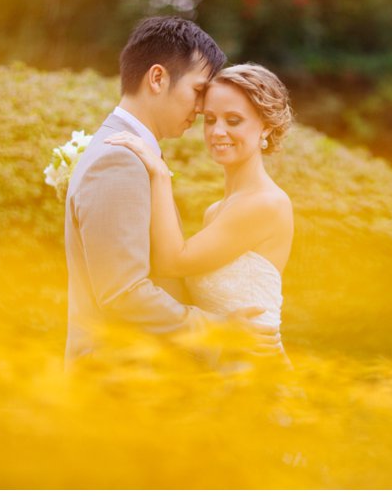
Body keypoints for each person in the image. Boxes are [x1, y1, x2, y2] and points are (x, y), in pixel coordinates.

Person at [64, 17, 279, 370]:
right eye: (198, 92)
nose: (200, 109)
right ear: (158, 78)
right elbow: (123, 292)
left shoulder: (128, 154)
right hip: (118, 382)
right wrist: (216, 331)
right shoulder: (118, 159)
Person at [105, 63, 294, 363]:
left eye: (234, 120)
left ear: (266, 126)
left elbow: (171, 261)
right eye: (210, 119)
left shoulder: (266, 204)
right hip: (218, 365)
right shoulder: (215, 211)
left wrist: (159, 174)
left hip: (256, 371)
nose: (218, 132)